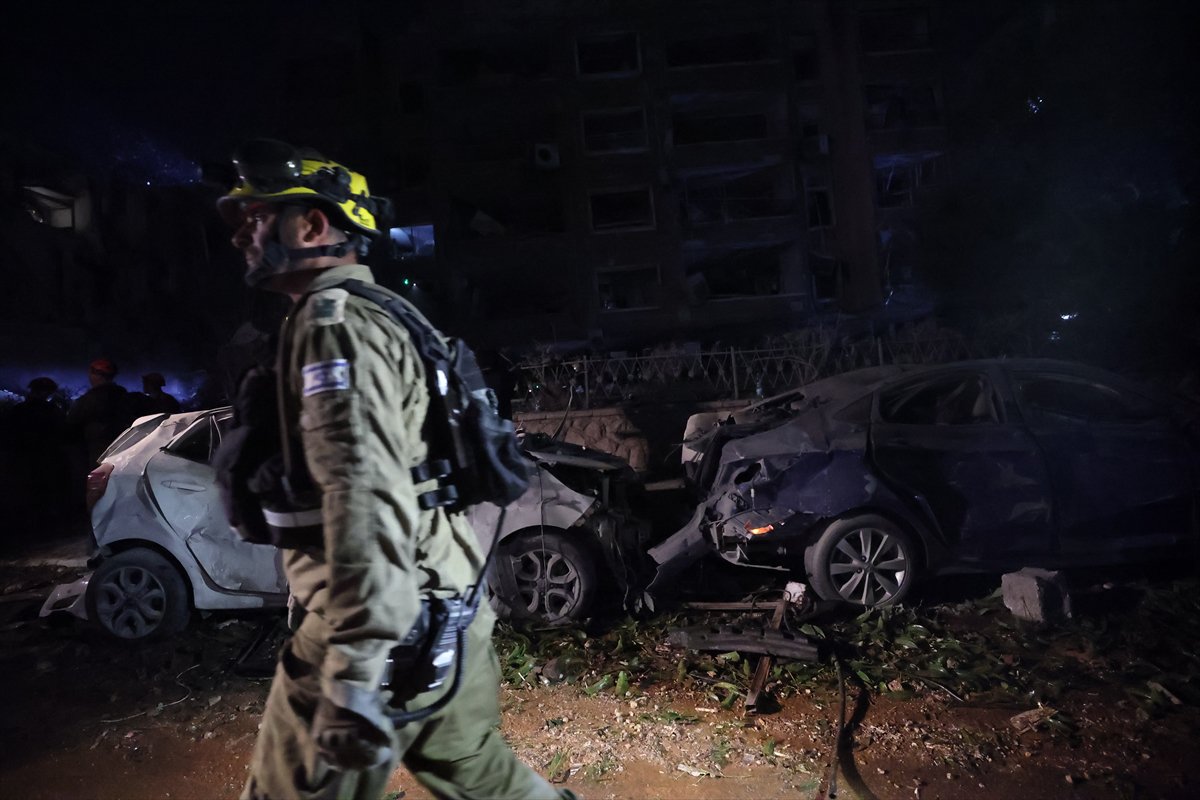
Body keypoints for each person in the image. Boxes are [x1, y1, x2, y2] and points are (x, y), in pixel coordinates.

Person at [218, 139, 572, 800]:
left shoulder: (335, 328)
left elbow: (362, 493)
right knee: (485, 780)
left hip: (382, 625)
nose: (242, 231)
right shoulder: (390, 315)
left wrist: (352, 670)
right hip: (448, 603)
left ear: (314, 225)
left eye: (258, 215)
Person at [66, 358, 134, 466]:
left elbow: (71, 424)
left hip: (95, 451)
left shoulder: (88, 400)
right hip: (122, 451)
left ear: (97, 375)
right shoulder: (124, 397)